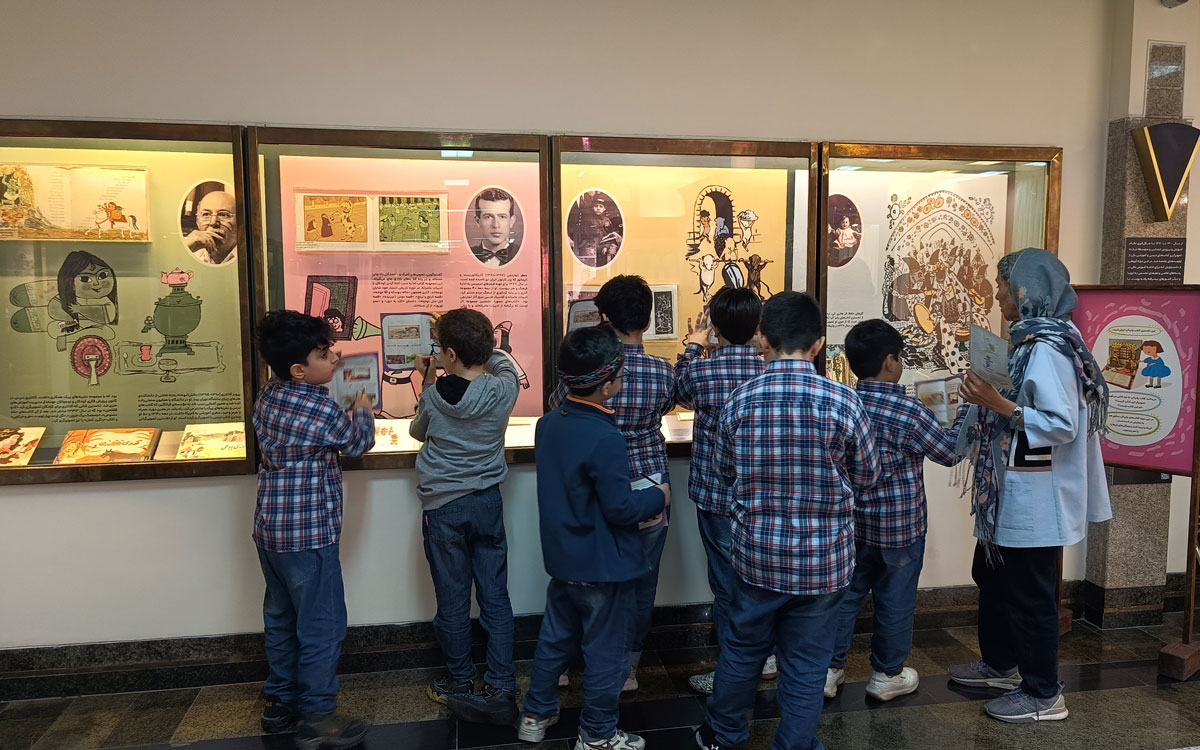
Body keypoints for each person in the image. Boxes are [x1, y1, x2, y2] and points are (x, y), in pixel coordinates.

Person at [695, 291, 879, 750]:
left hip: (757, 556)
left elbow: (724, 470)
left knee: (742, 651)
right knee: (807, 664)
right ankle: (794, 744)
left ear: (762, 338)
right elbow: (867, 475)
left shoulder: (740, 400)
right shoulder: (843, 401)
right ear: (818, 344)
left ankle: (723, 735)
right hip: (824, 562)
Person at [949, 247, 1112, 723]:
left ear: (1026, 291)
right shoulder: (1026, 343)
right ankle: (1001, 665)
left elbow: (1061, 425)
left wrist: (996, 403)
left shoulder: (1049, 348)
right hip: (1009, 487)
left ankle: (1043, 694)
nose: (997, 296)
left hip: (1036, 494)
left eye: (1003, 286)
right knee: (992, 577)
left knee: (1030, 595)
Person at [517, 325, 669, 750]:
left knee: (554, 639)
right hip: (604, 566)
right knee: (608, 653)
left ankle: (535, 714)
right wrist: (657, 496)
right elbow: (621, 508)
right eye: (619, 375)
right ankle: (598, 734)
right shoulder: (605, 436)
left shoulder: (548, 424)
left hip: (564, 558)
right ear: (606, 386)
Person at [824, 319, 966, 702]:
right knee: (895, 601)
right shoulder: (909, 410)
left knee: (845, 597)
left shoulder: (843, 403)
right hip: (900, 528)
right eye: (900, 357)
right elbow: (949, 452)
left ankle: (828, 670)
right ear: (890, 361)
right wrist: (963, 414)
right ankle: (887, 675)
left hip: (851, 524)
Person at [252, 310, 375, 749]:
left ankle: (280, 701)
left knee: (281, 617)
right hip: (310, 534)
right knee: (322, 625)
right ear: (299, 369)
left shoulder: (269, 395)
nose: (335, 357)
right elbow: (357, 444)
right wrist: (362, 407)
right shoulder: (319, 406)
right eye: (324, 354)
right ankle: (319, 717)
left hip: (271, 531)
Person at [549, 275, 676, 692]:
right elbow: (669, 406)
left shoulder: (588, 369)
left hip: (594, 485)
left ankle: (564, 663)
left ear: (603, 317)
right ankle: (628, 669)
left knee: (583, 577)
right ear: (648, 320)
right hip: (650, 486)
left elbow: (559, 407)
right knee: (642, 582)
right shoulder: (663, 372)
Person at [407, 308, 521, 725]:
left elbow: (417, 432)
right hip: (487, 501)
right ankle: (501, 683)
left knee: (452, 599)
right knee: (495, 596)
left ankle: (459, 682)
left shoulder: (434, 395)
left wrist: (428, 377)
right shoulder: (502, 389)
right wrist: (486, 350)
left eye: (440, 348)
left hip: (443, 508)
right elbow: (505, 364)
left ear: (450, 355)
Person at [673, 287, 772, 696]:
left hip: (715, 493)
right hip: (763, 493)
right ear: (758, 327)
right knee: (763, 577)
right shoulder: (769, 372)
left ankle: (732, 671)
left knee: (727, 582)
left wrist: (694, 347)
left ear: (714, 326)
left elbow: (677, 391)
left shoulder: (702, 372)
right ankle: (766, 656)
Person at [185, 188, 238, 266]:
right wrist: (185, 248)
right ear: (197, 221)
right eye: (206, 214)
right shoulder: (191, 254)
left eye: (223, 214)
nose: (213, 222)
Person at [469, 188, 520, 267]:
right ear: (478, 221)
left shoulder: (523, 254)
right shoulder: (468, 254)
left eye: (502, 217)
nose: (496, 225)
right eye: (488, 217)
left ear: (511, 221)